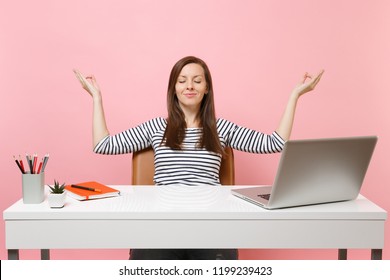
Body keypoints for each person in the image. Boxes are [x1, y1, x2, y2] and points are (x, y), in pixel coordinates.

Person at [74, 56, 324, 260]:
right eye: (182, 81)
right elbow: (103, 145)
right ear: (174, 88)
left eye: (196, 81)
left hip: (211, 226)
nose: (189, 86)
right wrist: (96, 97)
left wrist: (295, 96)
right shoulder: (155, 127)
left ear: (206, 89)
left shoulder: (221, 129)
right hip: (161, 226)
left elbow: (274, 143)